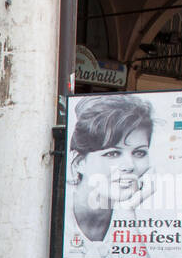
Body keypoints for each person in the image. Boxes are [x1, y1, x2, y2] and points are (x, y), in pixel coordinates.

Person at [67, 95, 156, 246]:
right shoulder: (62, 217)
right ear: (79, 162)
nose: (129, 165)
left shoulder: (144, 211)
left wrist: (128, 211)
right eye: (113, 153)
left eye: (139, 153)